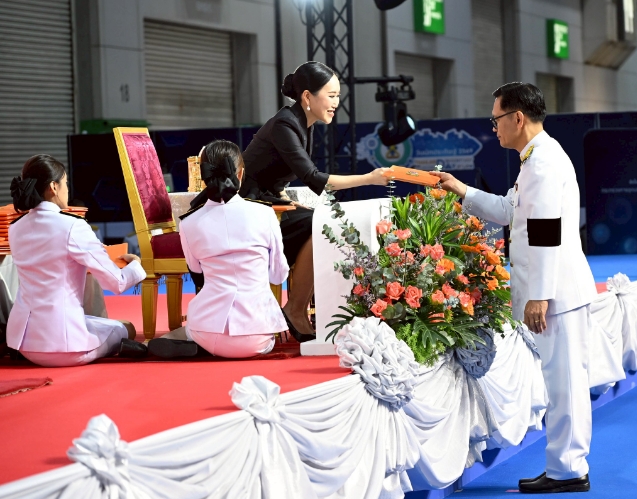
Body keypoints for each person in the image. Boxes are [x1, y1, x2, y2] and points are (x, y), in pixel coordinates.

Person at [432, 82, 596, 494]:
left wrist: (539, 295)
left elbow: (544, 233)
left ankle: (568, 470)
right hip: (558, 291)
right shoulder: (536, 159)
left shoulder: (542, 162)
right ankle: (566, 466)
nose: (494, 128)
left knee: (566, 385)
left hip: (557, 294)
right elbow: (510, 210)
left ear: (518, 117)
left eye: (497, 119)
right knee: (562, 383)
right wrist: (460, 189)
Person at [240, 61, 389, 341]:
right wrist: (370, 178)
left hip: (269, 204)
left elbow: (277, 179)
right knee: (320, 224)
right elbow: (314, 178)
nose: (336, 103)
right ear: (307, 96)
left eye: (338, 96)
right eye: (331, 96)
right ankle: (295, 309)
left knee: (323, 220)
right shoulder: (285, 124)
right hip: (250, 211)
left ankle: (321, 308)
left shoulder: (301, 122)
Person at [148, 140, 289, 359]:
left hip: (207, 330)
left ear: (204, 176)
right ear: (240, 173)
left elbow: (196, 270)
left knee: (189, 331)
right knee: (261, 339)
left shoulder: (188, 222)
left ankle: (181, 343)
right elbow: (279, 275)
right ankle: (195, 346)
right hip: (258, 334)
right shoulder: (265, 214)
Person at [6, 155, 147, 367]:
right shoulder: (73, 225)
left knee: (97, 322)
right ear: (54, 187)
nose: (67, 189)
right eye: (65, 183)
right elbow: (116, 283)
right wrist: (136, 264)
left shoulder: (15, 227)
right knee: (126, 327)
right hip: (66, 346)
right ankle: (120, 346)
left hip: (25, 343)